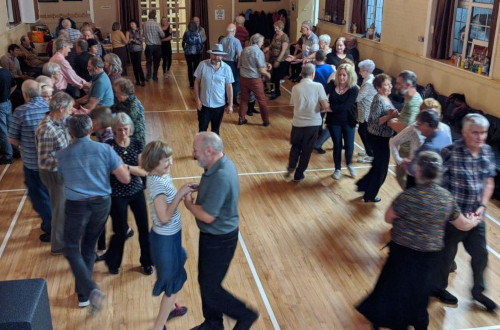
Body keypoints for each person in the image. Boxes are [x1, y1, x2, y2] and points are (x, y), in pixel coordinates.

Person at [356, 151, 481, 330]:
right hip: (429, 257)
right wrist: (474, 220)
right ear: (439, 173)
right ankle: (416, 322)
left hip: (401, 253)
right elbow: (462, 225)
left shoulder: (407, 196)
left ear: (418, 171)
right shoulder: (446, 198)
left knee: (390, 287)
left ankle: (381, 320)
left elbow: (388, 218)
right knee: (418, 293)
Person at [184, 132, 259, 330]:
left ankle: (245, 315)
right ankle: (213, 324)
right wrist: (202, 187)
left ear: (209, 150)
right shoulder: (220, 164)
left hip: (219, 240)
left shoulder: (221, 175)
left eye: (196, 150)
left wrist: (189, 204)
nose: (193, 154)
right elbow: (218, 191)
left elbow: (208, 216)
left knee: (210, 287)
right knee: (206, 282)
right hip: (214, 236)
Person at [56, 114, 130, 311]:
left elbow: (61, 177)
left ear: (70, 132)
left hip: (76, 206)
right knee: (89, 247)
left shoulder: (61, 155)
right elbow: (125, 179)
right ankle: (85, 294)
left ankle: (86, 292)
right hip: (101, 204)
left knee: (71, 247)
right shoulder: (105, 149)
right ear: (90, 130)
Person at [433, 114, 498, 312]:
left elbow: (488, 182)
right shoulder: (449, 153)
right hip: (452, 219)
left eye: (483, 133)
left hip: (476, 217)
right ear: (464, 132)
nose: (480, 137)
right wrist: (457, 217)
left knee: (481, 255)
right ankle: (438, 289)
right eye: (475, 133)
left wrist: (482, 207)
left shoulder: (487, 152)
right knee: (446, 258)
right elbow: (438, 190)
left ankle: (478, 291)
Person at [141, 140, 193, 330]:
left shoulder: (162, 176)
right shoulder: (156, 185)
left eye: (170, 158)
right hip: (165, 240)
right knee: (172, 284)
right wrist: (180, 195)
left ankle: (170, 307)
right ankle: (159, 326)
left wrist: (185, 192)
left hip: (170, 238)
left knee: (178, 267)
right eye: (166, 160)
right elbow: (163, 217)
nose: (171, 163)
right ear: (154, 162)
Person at [104, 113, 152, 275]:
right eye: (119, 130)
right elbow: (107, 170)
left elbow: (144, 171)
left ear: (130, 128)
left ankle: (146, 261)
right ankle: (114, 263)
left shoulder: (137, 144)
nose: (122, 133)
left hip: (136, 192)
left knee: (144, 228)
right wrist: (131, 169)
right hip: (116, 194)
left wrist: (123, 165)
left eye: (125, 129)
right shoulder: (108, 145)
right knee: (119, 231)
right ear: (114, 130)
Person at [8, 80, 53, 242]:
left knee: (39, 198)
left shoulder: (21, 112)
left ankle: (51, 228)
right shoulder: (51, 108)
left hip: (34, 164)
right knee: (52, 195)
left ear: (25, 95)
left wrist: (24, 142)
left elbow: (12, 139)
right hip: (54, 162)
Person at [35, 91, 72, 254]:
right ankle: (58, 246)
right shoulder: (46, 129)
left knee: (63, 207)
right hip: (54, 174)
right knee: (59, 210)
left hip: (61, 171)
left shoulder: (59, 121)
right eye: (70, 109)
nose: (71, 111)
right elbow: (44, 160)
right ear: (61, 108)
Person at [355, 73, 396, 203]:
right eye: (386, 84)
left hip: (382, 138)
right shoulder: (378, 99)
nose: (390, 86)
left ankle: (363, 185)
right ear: (378, 88)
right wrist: (390, 116)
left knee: (377, 166)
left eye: (390, 84)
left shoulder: (385, 98)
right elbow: (374, 120)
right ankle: (369, 196)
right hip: (378, 139)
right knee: (381, 169)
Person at [286, 63, 329, 182]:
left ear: (301, 74)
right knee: (306, 151)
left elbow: (292, 104)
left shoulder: (295, 88)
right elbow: (325, 106)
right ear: (313, 74)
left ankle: (291, 166)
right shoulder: (318, 86)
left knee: (295, 147)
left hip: (297, 123)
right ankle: (299, 174)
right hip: (313, 124)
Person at [390, 98, 451, 181]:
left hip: (432, 176)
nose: (430, 117)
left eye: (433, 114)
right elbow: (394, 141)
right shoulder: (414, 128)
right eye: (426, 114)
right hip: (416, 174)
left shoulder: (445, 129)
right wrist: (399, 160)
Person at [324, 63, 359, 180]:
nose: (342, 77)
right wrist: (324, 104)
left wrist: (330, 108)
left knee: (349, 145)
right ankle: (337, 168)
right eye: (340, 74)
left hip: (348, 121)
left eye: (344, 75)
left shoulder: (354, 89)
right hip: (334, 121)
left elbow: (346, 106)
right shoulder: (331, 85)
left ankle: (349, 164)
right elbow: (321, 94)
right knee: (337, 145)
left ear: (350, 76)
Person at [389, 70, 423, 188]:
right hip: (410, 147)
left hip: (408, 150)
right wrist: (398, 116)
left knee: (404, 179)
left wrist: (390, 121)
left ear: (408, 85)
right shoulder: (413, 97)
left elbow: (403, 128)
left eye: (398, 83)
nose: (395, 86)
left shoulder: (411, 103)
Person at [402, 110, 452, 189]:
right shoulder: (445, 136)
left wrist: (407, 165)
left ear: (426, 125)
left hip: (423, 187)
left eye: (419, 124)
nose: (417, 127)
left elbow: (413, 170)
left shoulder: (429, 147)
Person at [194, 44, 234, 136]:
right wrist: (197, 99)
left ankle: (215, 150)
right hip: (204, 105)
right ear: (211, 55)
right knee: (202, 130)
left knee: (215, 131)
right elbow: (196, 83)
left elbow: (229, 87)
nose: (217, 57)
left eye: (219, 55)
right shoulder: (202, 65)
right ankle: (202, 149)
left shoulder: (227, 69)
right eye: (215, 54)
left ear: (222, 56)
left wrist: (230, 105)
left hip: (219, 106)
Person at [238, 33, 271, 126]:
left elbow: (240, 65)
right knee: (261, 100)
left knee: (244, 99)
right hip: (254, 79)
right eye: (262, 41)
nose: (262, 43)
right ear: (258, 42)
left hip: (243, 77)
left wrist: (265, 63)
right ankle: (266, 121)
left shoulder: (244, 50)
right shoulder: (258, 52)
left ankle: (241, 118)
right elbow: (260, 69)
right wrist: (268, 74)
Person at [112, 78, 146, 147]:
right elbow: (113, 109)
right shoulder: (122, 100)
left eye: (116, 92)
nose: (115, 94)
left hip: (135, 139)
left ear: (124, 93)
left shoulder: (134, 106)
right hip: (125, 134)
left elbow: (127, 126)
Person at [355, 59, 377, 163]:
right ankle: (369, 149)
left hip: (366, 111)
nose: (359, 72)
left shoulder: (368, 82)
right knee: (365, 132)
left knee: (363, 131)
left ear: (367, 71)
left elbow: (358, 98)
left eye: (361, 70)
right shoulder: (368, 79)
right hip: (365, 110)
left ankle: (370, 154)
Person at [267, 20, 290, 100]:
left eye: (276, 28)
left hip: (281, 60)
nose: (275, 30)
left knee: (277, 76)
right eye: (274, 28)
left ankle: (277, 92)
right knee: (272, 75)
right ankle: (273, 89)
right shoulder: (275, 35)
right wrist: (268, 48)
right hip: (273, 58)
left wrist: (278, 61)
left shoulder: (284, 37)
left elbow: (283, 50)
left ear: (281, 28)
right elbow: (271, 44)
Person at [221, 23, 242, 106]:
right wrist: (239, 65)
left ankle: (225, 99)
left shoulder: (222, 40)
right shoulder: (236, 41)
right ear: (234, 31)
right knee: (236, 82)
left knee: (225, 82)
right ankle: (233, 100)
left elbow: (219, 53)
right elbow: (239, 55)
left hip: (223, 62)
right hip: (232, 63)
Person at [0, 64, 15, 164]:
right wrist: (7, 95)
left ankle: (8, 155)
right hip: (7, 102)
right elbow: (14, 85)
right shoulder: (6, 71)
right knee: (10, 128)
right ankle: (15, 151)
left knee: (2, 131)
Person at [144, 10, 165, 81]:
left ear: (148, 16)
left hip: (149, 46)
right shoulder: (157, 24)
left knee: (148, 61)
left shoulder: (145, 24)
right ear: (155, 16)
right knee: (156, 62)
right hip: (157, 46)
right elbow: (162, 34)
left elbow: (144, 34)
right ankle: (155, 76)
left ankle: (148, 75)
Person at [182, 21, 204, 89]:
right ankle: (195, 83)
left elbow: (183, 43)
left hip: (188, 52)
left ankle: (191, 84)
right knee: (196, 68)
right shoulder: (198, 34)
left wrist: (184, 49)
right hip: (196, 53)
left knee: (189, 68)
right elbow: (201, 43)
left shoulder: (186, 33)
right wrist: (200, 50)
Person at [126, 20, 146, 86]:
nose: (131, 25)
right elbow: (127, 41)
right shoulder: (128, 32)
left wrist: (133, 40)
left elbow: (140, 41)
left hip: (138, 50)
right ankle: (137, 80)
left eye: (132, 24)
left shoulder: (140, 31)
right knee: (134, 66)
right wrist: (130, 41)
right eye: (131, 24)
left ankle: (142, 80)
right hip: (131, 50)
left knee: (138, 65)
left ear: (136, 24)